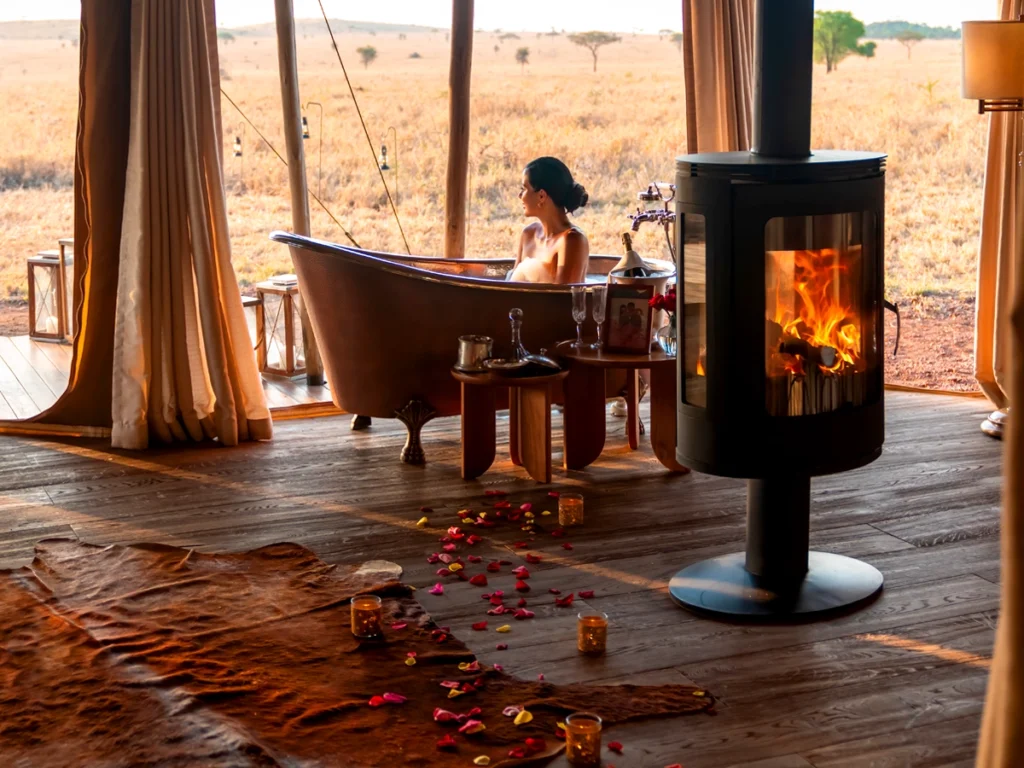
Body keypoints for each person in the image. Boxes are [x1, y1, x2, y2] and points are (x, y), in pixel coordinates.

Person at [509, 157, 590, 284]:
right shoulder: (528, 234)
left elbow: (564, 300)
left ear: (541, 195)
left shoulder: (572, 240)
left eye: (524, 189)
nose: (520, 196)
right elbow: (509, 288)